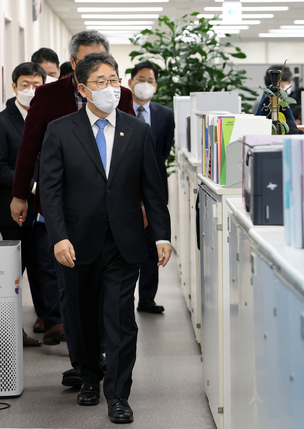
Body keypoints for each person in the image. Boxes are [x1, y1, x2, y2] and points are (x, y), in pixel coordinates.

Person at [39, 52, 171, 424]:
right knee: (81, 318)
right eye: (100, 81)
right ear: (82, 89)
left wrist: (161, 234)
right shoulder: (60, 130)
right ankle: (89, 376)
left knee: (120, 319)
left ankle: (118, 394)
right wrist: (58, 237)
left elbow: (152, 188)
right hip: (76, 243)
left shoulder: (137, 130)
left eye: (114, 80)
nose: (110, 88)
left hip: (123, 240)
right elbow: (50, 190)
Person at [11, 30, 136, 389]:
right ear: (72, 63)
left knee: (109, 294)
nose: (95, 68)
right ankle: (84, 363)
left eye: (102, 60)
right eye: (85, 61)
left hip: (111, 211)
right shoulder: (49, 95)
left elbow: (132, 153)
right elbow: (28, 146)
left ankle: (103, 362)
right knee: (74, 292)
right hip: (65, 209)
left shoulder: (121, 95)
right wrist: (21, 194)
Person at [0, 62, 50, 348]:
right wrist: (30, 186)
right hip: (12, 210)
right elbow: (1, 166)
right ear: (14, 86)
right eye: (25, 85)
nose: (31, 91)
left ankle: (53, 321)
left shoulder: (49, 118)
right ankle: (9, 334)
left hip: (43, 210)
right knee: (12, 275)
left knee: (46, 266)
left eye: (37, 85)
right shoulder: (3, 121)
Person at [128, 61, 175, 314]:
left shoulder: (165, 115)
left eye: (150, 80)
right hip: (125, 189)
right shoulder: (120, 109)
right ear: (130, 81)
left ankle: (147, 297)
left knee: (151, 245)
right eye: (141, 79)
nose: (145, 84)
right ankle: (123, 296)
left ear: (156, 86)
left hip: (154, 188)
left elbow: (162, 153)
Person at [255, 65, 302, 134]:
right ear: (279, 82)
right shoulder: (266, 102)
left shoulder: (260, 101)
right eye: (288, 81)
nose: (289, 84)